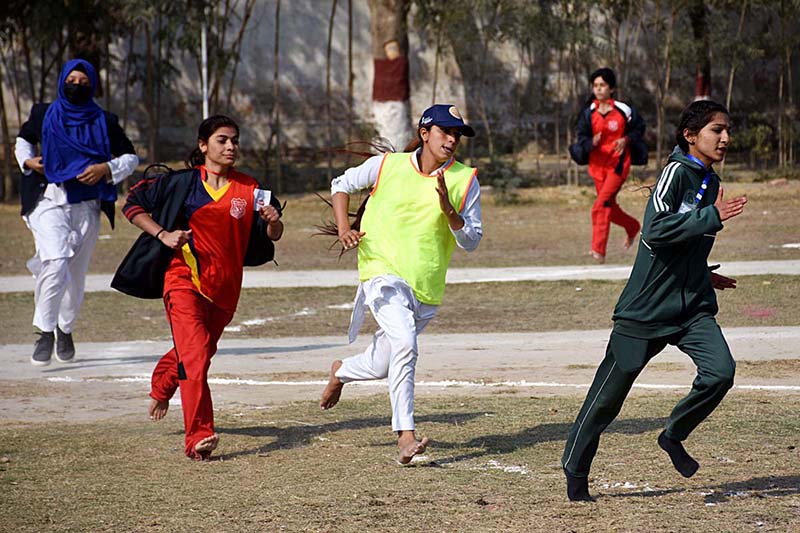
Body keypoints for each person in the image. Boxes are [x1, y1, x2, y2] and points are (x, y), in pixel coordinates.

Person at [561, 100, 748, 501]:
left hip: (691, 308)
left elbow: (686, 243)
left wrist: (702, 274)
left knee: (721, 372)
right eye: (717, 130)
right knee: (606, 401)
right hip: (645, 310)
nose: (726, 138)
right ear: (690, 135)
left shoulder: (710, 182)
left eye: (727, 130)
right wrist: (711, 217)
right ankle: (575, 469)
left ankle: (673, 434)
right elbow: (657, 229)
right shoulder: (676, 173)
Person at [111, 115, 283, 460]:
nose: (231, 146)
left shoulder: (251, 189)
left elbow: (272, 237)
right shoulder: (184, 183)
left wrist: (273, 223)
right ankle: (199, 437)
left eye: (234, 140)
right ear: (203, 146)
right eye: (222, 140)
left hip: (226, 290)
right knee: (196, 356)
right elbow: (131, 205)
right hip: (183, 279)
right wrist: (163, 234)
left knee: (199, 352)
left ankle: (162, 384)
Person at [318, 104, 483, 464]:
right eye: (445, 131)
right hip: (381, 273)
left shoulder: (464, 180)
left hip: (425, 287)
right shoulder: (388, 165)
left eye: (457, 134)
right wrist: (344, 230)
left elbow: (471, 241)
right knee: (406, 343)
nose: (452, 139)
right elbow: (340, 185)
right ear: (425, 133)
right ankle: (405, 435)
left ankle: (341, 371)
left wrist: (449, 211)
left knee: (382, 364)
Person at [15, 58, 138, 366]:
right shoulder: (44, 113)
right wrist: (28, 162)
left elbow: (131, 157)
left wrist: (105, 169)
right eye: (72, 81)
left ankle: (65, 328)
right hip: (48, 198)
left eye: (84, 83)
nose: (77, 87)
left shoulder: (105, 120)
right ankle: (44, 331)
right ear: (61, 82)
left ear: (93, 85)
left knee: (75, 275)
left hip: (86, 204)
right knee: (55, 260)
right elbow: (24, 140)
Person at [569, 67, 646, 264]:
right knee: (609, 208)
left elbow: (640, 128)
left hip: (618, 166)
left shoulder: (623, 110)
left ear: (611, 88)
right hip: (597, 167)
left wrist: (627, 139)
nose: (599, 89)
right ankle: (632, 226)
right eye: (595, 86)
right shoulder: (588, 113)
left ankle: (598, 250)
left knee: (600, 205)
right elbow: (582, 138)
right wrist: (591, 143)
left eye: (602, 85)